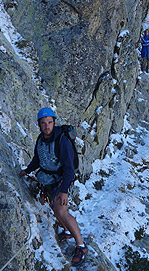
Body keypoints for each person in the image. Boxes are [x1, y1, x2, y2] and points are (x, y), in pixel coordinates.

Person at [19, 107, 87, 266]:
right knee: (54, 209)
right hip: (48, 180)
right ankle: (67, 231)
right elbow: (38, 159)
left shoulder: (61, 140)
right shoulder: (40, 140)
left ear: (54, 123)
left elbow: (69, 168)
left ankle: (81, 246)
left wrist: (64, 191)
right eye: (43, 123)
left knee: (61, 210)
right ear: (39, 125)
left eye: (49, 122)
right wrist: (27, 170)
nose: (46, 126)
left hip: (62, 179)